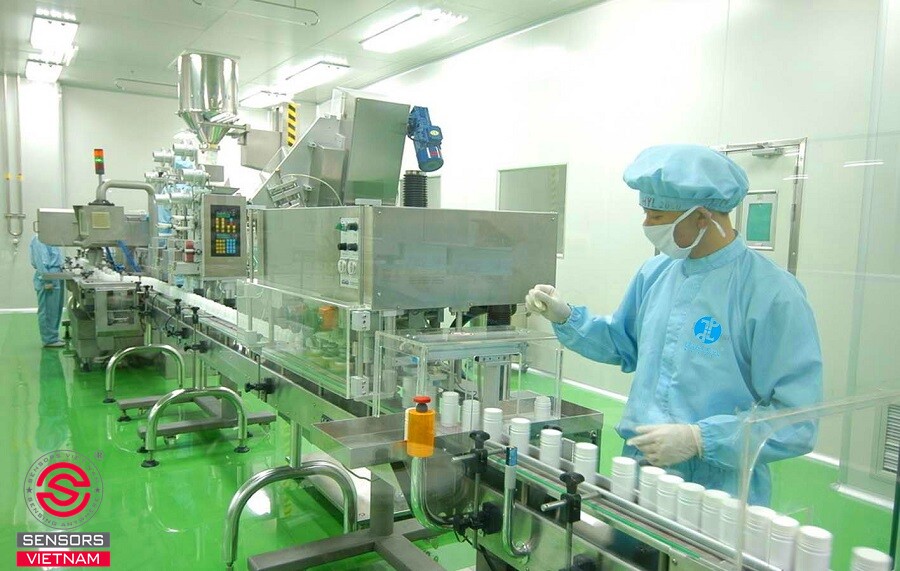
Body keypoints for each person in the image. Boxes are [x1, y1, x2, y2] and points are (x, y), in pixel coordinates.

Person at [526, 144, 822, 505]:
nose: (647, 226)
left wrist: (700, 439)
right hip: (640, 473)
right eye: (646, 213)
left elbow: (797, 420)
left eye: (658, 216)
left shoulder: (771, 294)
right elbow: (623, 342)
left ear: (702, 217)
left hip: (718, 490)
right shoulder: (655, 273)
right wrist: (565, 316)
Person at [29, 234, 66, 348]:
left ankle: (53, 335)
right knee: (47, 309)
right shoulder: (39, 239)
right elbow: (41, 262)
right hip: (48, 278)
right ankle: (48, 339)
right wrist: (47, 280)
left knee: (55, 309)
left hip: (56, 276)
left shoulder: (52, 237)